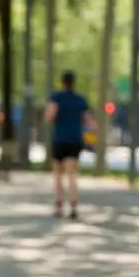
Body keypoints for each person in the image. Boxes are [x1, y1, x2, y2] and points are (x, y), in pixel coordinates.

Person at [45, 71, 96, 219]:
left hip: (60, 139)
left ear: (62, 82)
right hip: (75, 140)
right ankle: (73, 206)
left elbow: (49, 116)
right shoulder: (80, 100)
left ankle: (59, 207)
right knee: (72, 174)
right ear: (74, 83)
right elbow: (88, 121)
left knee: (58, 175)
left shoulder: (56, 97)